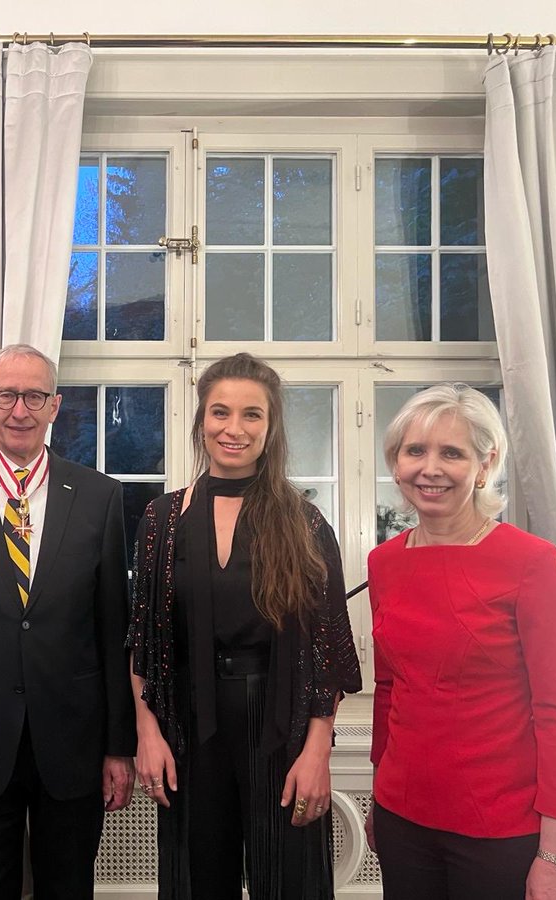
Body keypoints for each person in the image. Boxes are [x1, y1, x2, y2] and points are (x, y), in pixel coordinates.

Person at [128, 352, 362, 900]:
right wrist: (147, 732)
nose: (234, 429)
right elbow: (141, 640)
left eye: (251, 415)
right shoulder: (161, 520)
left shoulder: (304, 522)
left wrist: (317, 752)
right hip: (188, 728)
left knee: (289, 882)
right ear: (200, 421)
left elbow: (328, 650)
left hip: (281, 729)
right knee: (198, 881)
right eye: (220, 413)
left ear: (271, 426)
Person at [0, 343, 136, 900]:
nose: (21, 410)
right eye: (8, 395)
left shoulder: (100, 497)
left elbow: (114, 631)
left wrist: (119, 747)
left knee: (68, 888)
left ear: (56, 406)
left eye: (34, 396)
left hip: (73, 741)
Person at [366, 384, 556, 900]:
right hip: (402, 819)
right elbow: (388, 689)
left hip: (501, 828)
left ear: (484, 466)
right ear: (396, 463)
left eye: (452, 453)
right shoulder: (384, 562)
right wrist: (379, 798)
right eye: (414, 451)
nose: (430, 468)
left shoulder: (532, 562)